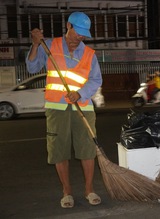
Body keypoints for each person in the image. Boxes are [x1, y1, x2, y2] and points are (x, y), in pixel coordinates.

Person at [26, 11, 102, 208]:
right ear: (68, 26)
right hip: (56, 107)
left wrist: (81, 93)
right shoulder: (49, 45)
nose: (81, 37)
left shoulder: (89, 54)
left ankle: (89, 189)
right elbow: (32, 68)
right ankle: (67, 191)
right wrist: (35, 44)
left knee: (86, 150)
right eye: (79, 32)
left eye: (85, 34)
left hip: (83, 107)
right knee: (59, 151)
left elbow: (96, 80)